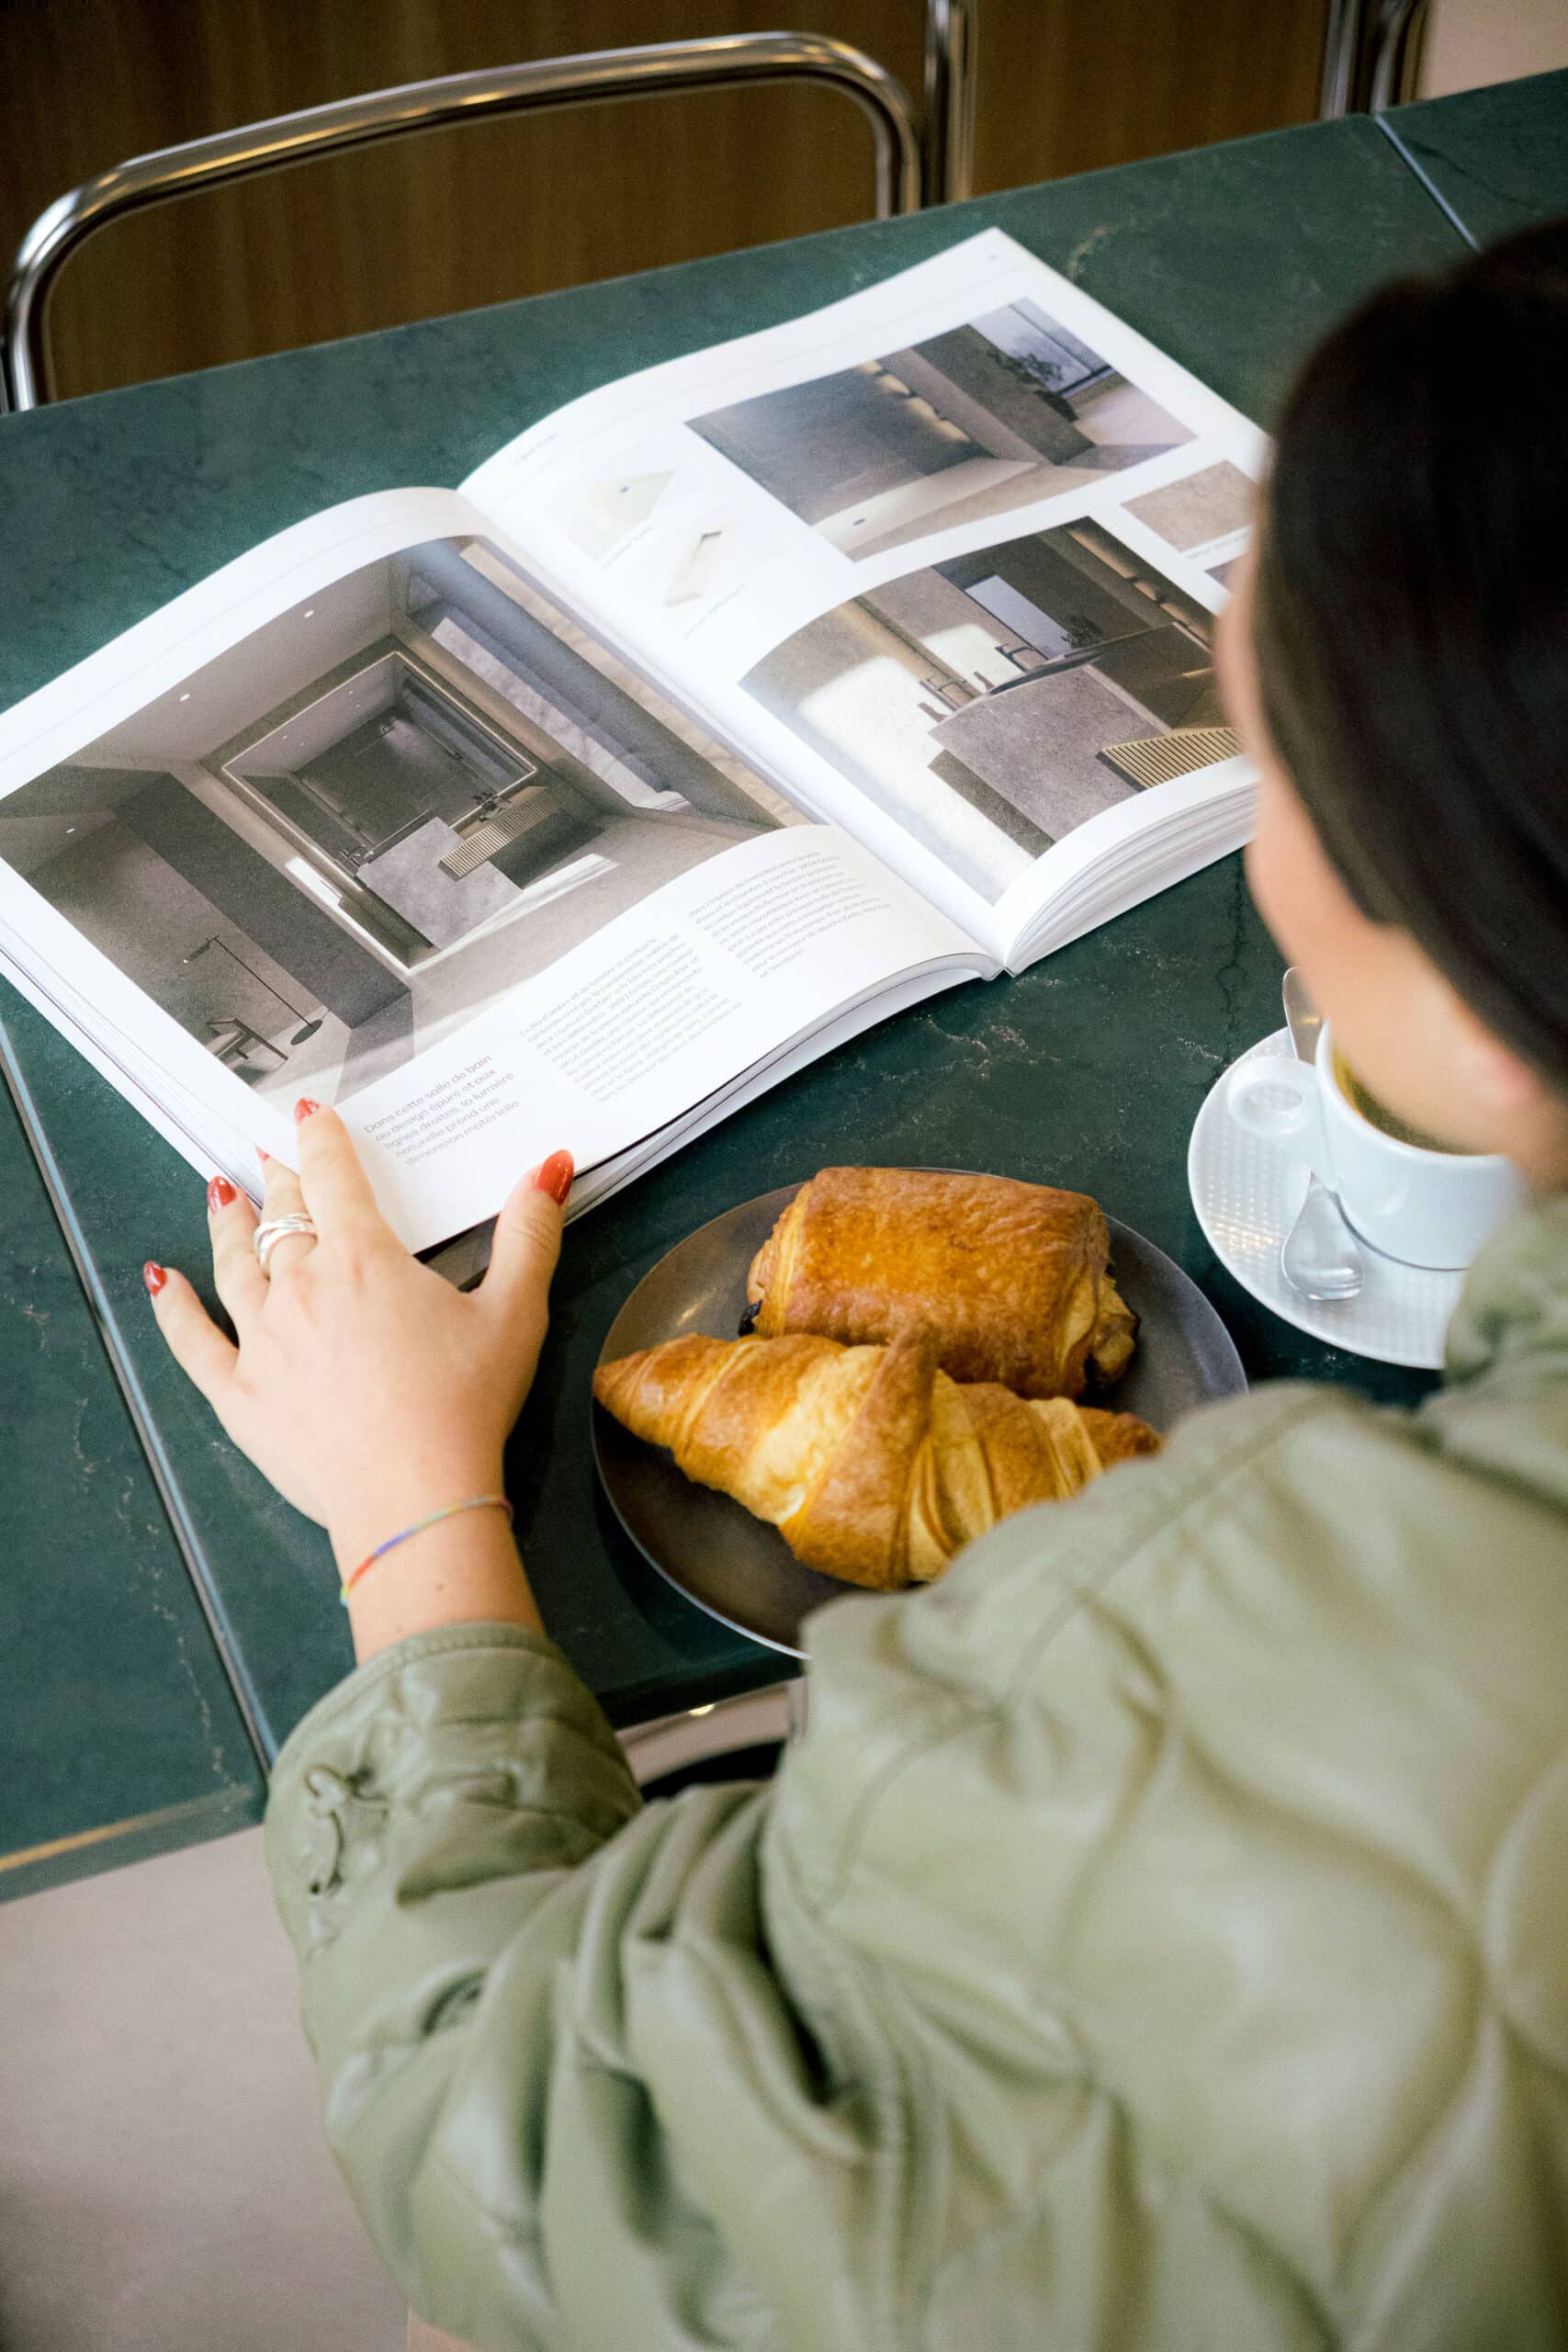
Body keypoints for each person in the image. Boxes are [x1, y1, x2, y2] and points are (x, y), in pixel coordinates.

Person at [146, 220, 1568, 2350]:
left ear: (1466, 990)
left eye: (1272, 761)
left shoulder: (1255, 1638)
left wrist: (405, 1507)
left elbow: (509, 2138)